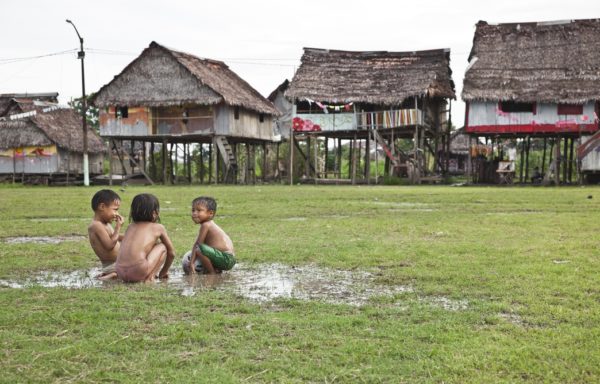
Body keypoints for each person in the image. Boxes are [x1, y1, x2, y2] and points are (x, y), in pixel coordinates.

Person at [116, 193, 175, 282]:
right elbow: (171, 253)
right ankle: (150, 278)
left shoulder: (130, 227)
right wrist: (164, 271)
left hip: (120, 272)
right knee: (163, 246)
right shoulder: (158, 227)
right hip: (138, 270)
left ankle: (144, 275)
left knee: (151, 246)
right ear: (155, 213)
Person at [184, 196, 236, 275]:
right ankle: (216, 269)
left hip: (226, 258)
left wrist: (191, 263)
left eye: (199, 210)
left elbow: (198, 245)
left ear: (210, 213)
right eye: (193, 210)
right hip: (227, 258)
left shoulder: (206, 225)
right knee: (202, 248)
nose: (194, 213)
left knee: (199, 249)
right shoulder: (209, 224)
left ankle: (212, 272)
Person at [88, 189, 124, 280]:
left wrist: (133, 237)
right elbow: (109, 245)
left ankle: (113, 274)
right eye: (115, 210)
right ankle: (113, 275)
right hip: (113, 265)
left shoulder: (105, 224)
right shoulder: (96, 225)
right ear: (102, 207)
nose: (117, 214)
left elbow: (115, 237)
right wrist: (118, 227)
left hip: (116, 264)